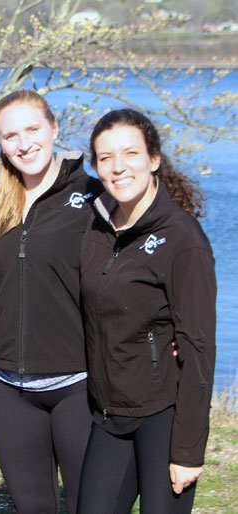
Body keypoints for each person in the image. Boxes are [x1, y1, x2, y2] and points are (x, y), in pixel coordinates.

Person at [77, 109, 216, 514]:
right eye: (105, 158)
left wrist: (188, 450)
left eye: (130, 154)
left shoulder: (182, 238)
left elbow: (199, 348)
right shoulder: (95, 226)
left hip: (164, 416)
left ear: (154, 159)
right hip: (109, 415)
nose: (119, 167)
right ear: (96, 166)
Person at [0, 90, 104, 514]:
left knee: (90, 505)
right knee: (32, 507)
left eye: (32, 129)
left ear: (54, 128)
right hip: (8, 385)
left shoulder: (93, 195)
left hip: (77, 383)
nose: (23, 143)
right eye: (9, 135)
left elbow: (140, 264)